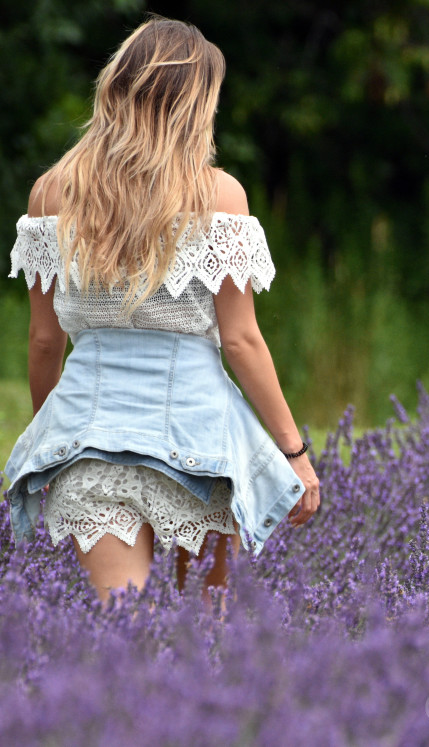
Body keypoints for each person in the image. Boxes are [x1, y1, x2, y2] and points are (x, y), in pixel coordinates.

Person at [3, 17, 320, 606]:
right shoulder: (219, 195)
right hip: (198, 445)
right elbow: (242, 341)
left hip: (88, 443)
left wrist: (57, 438)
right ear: (193, 105)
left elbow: (45, 342)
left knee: (125, 633)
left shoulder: (50, 194)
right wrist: (295, 454)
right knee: (201, 639)